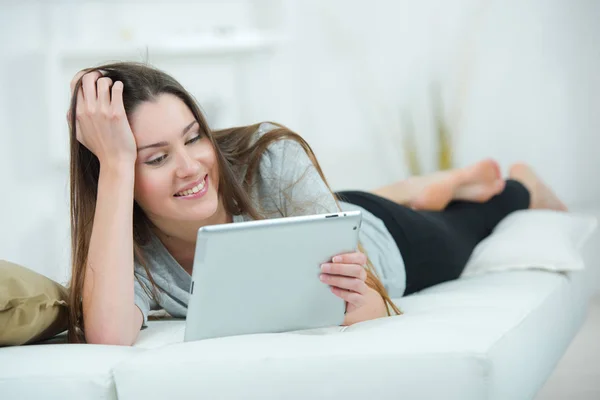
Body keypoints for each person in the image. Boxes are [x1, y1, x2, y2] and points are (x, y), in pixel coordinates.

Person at [66, 62, 568, 345]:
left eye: (195, 137)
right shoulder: (123, 248)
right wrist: (113, 167)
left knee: (474, 223)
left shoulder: (268, 157)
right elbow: (107, 336)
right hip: (312, 209)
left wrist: (363, 300)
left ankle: (520, 184)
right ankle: (422, 185)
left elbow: (373, 303)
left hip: (383, 237)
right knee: (334, 205)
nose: (192, 166)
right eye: (155, 159)